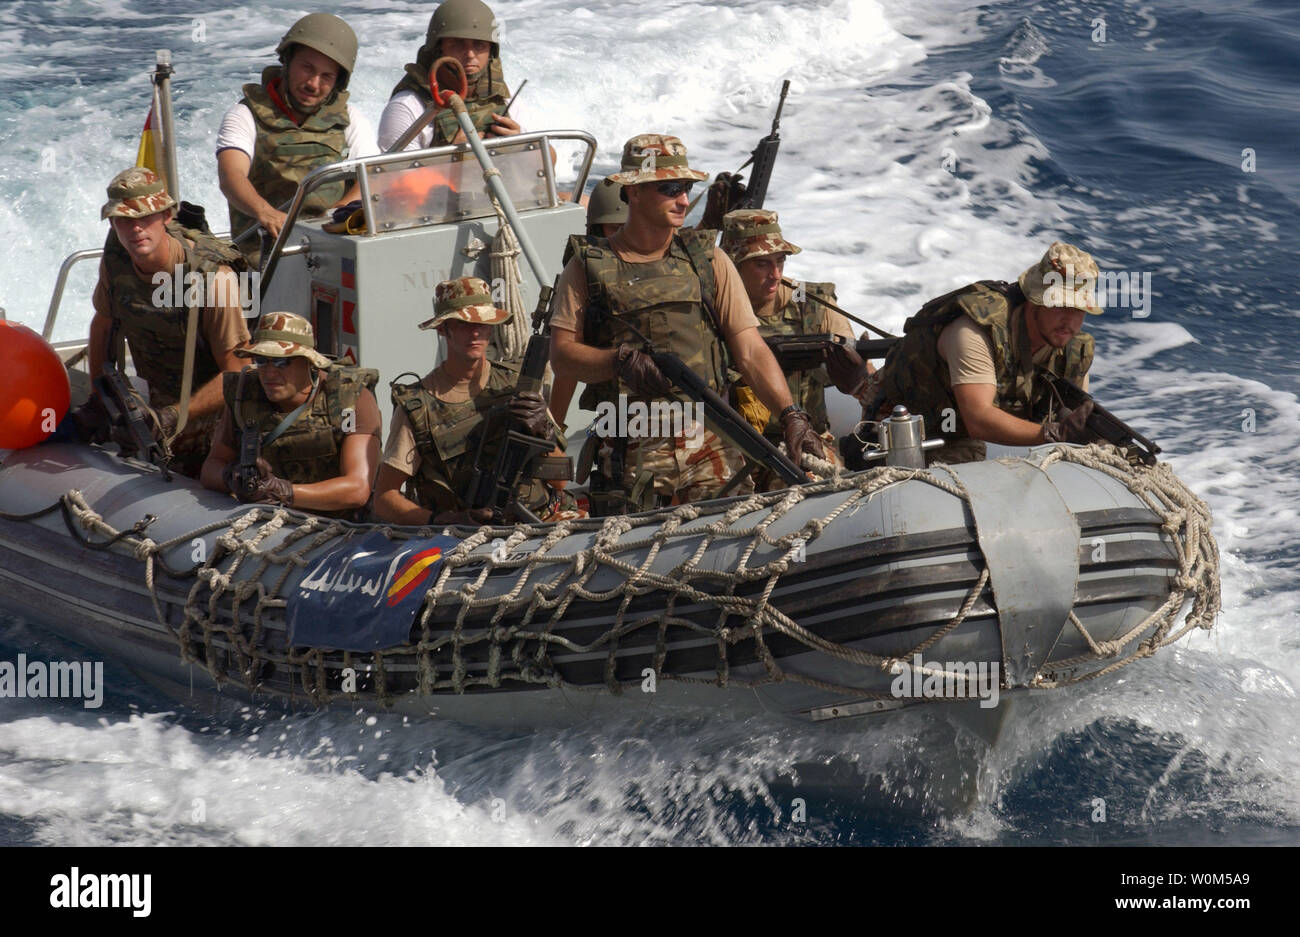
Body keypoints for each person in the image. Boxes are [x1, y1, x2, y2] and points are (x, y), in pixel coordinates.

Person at [550, 134, 824, 513]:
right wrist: (619, 361)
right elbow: (562, 357)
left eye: (687, 188)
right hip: (630, 446)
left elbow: (749, 348)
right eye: (670, 188)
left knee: (730, 547)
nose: (683, 200)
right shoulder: (586, 267)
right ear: (635, 192)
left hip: (710, 441)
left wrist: (791, 415)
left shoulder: (707, 260)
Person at [81, 167, 250, 477]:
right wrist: (98, 396)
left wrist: (172, 417)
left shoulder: (211, 278)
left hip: (215, 410)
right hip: (160, 399)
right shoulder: (118, 258)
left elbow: (238, 368)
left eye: (145, 218)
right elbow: (103, 323)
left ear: (167, 217)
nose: (135, 230)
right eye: (124, 221)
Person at [374, 277, 584, 525]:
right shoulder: (418, 408)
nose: (474, 332)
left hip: (541, 519)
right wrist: (447, 520)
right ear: (443, 329)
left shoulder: (517, 386)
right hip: (464, 536)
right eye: (463, 324)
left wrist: (544, 431)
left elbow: (560, 480)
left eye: (481, 323)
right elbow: (384, 499)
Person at [869, 241, 1101, 465]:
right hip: (920, 415)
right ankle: (861, 385)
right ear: (1034, 300)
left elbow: (1071, 418)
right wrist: (1056, 434)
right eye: (1060, 306)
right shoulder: (976, 332)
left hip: (984, 414)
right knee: (962, 462)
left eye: (1079, 310)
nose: (1069, 322)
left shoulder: (1073, 350)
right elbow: (978, 419)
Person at [721, 209, 871, 489]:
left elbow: (869, 390)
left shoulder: (813, 307)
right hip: (729, 444)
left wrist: (857, 378)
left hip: (805, 440)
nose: (776, 275)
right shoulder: (711, 310)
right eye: (762, 264)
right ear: (732, 266)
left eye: (781, 261)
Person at [216, 12, 377, 262]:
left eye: (326, 77)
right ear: (287, 62)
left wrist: (337, 212)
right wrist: (266, 213)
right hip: (264, 251)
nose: (313, 83)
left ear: (338, 82)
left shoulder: (350, 119)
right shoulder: (245, 115)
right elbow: (231, 176)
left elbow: (373, 176)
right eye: (307, 68)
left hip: (330, 244)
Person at [200, 312, 381, 517]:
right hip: (266, 520)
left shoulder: (348, 398)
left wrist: (282, 492)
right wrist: (232, 478)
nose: (269, 373)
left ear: (308, 361)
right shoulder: (245, 394)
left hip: (343, 528)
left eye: (281, 362)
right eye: (261, 361)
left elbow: (356, 489)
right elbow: (211, 467)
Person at [377, 0, 522, 152]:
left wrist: (522, 146)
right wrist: (450, 156)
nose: (470, 55)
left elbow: (547, 159)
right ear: (438, 49)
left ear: (491, 51)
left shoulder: (505, 97)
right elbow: (395, 175)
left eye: (479, 45)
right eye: (458, 44)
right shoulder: (409, 106)